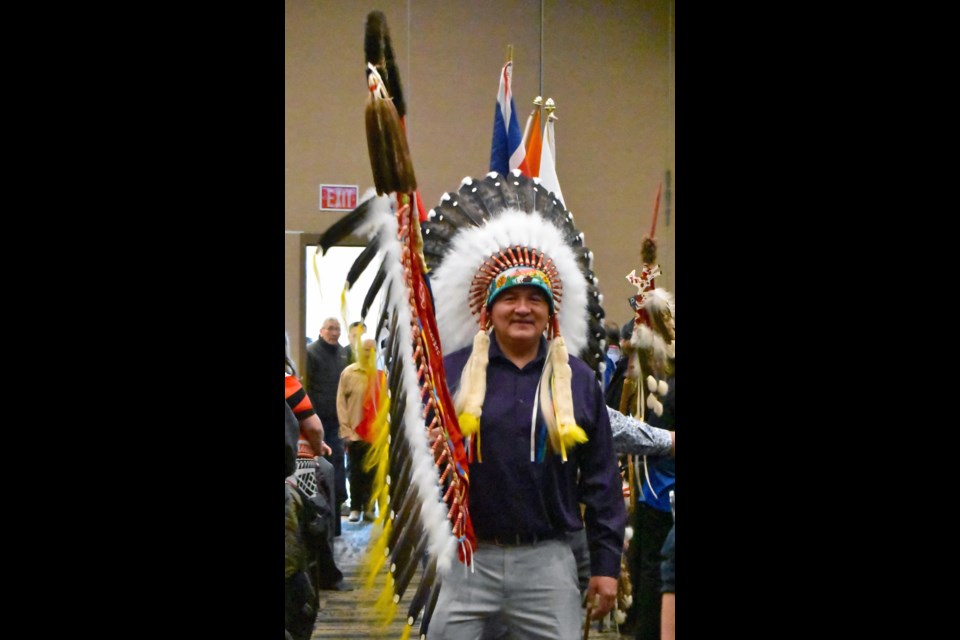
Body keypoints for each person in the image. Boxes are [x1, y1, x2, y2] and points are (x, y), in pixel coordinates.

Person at [426, 210, 627, 640]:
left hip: (548, 562)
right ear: (489, 307)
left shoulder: (578, 381)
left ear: (551, 311)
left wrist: (606, 566)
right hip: (468, 558)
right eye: (510, 297)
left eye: (535, 299)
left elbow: (602, 480)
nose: (522, 308)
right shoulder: (451, 375)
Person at [305, 317, 349, 535]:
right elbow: (307, 388)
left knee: (338, 474)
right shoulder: (310, 353)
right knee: (321, 473)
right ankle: (321, 528)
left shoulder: (343, 355)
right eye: (330, 329)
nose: (334, 333)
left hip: (337, 424)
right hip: (316, 426)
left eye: (338, 329)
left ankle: (336, 527)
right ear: (321, 330)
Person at [336, 337, 384, 522]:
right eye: (365, 350)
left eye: (372, 350)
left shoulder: (381, 375)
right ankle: (355, 508)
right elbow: (341, 404)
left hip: (375, 435)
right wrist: (346, 430)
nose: (368, 353)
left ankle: (370, 509)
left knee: (373, 474)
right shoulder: (348, 373)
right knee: (355, 473)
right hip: (355, 433)